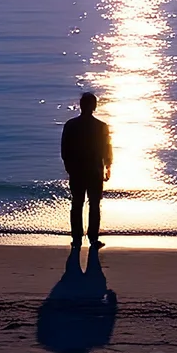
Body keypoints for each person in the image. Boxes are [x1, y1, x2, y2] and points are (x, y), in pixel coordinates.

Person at [60, 91, 113, 246]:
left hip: (77, 170)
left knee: (77, 203)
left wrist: (68, 167)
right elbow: (107, 148)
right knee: (94, 204)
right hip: (94, 170)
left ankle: (77, 238)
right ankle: (93, 238)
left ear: (81, 106)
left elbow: (65, 149)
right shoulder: (101, 126)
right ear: (94, 106)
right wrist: (108, 165)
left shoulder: (71, 125)